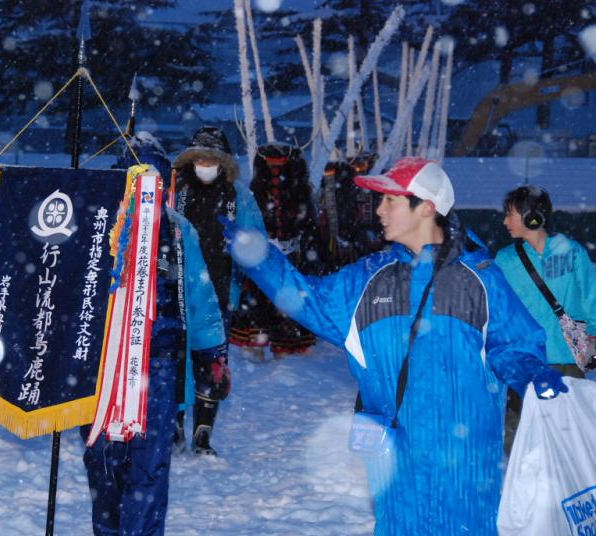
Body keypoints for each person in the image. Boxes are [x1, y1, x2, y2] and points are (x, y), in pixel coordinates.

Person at [220, 156, 568, 535]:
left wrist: (532, 373)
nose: (379, 209)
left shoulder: (481, 279)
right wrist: (260, 257)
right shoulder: (368, 278)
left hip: (466, 474)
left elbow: (514, 344)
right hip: (395, 469)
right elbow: (307, 299)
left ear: (427, 208)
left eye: (391, 200)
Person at [79, 132, 230, 535]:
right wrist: (212, 353)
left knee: (116, 463)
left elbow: (199, 300)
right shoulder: (113, 223)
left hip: (128, 367)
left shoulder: (168, 230)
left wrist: (211, 353)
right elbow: (202, 302)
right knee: (134, 467)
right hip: (130, 367)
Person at [172, 126, 262, 455]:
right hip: (177, 291)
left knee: (212, 363)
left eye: (212, 158)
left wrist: (243, 242)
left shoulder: (239, 196)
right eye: (200, 158)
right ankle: (174, 426)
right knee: (175, 360)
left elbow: (258, 244)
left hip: (220, 291)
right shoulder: (174, 190)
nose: (205, 164)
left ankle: (203, 432)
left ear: (222, 162)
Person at [495, 185, 596, 454]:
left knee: (571, 437)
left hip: (567, 361)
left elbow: (591, 297)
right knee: (521, 440)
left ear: (532, 216)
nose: (505, 222)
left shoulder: (572, 252)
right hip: (525, 362)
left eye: (510, 214)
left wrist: (591, 337)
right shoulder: (504, 260)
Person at [229, 142, 323, 359]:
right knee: (258, 300)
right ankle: (257, 345)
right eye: (271, 166)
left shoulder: (300, 194)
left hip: (291, 256)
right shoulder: (254, 194)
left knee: (287, 302)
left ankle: (287, 348)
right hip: (261, 255)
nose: (275, 172)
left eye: (280, 166)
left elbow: (308, 227)